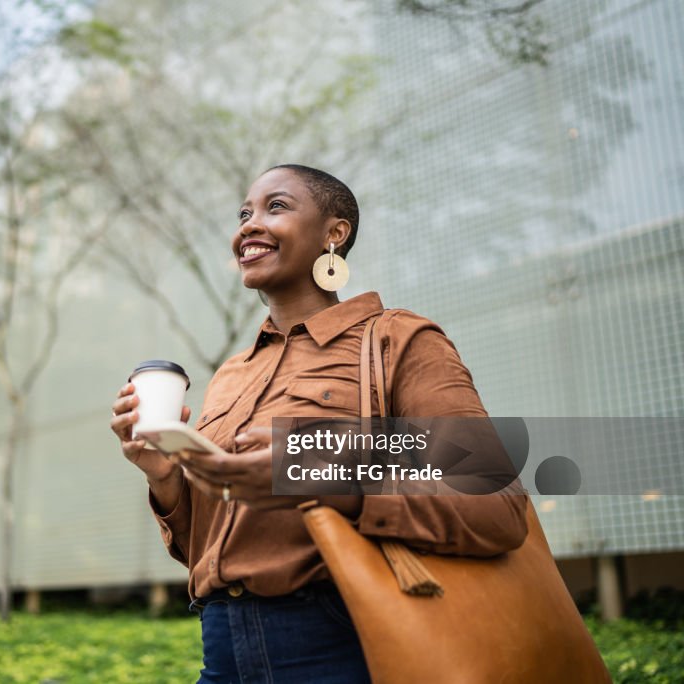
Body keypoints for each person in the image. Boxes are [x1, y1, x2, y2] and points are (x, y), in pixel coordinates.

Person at [109, 164, 528, 683]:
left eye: (275, 207)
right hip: (221, 648)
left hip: (339, 638)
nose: (248, 225)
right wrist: (163, 475)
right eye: (243, 214)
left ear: (335, 233)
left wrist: (322, 476)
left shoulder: (398, 340)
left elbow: (498, 504)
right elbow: (212, 546)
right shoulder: (230, 376)